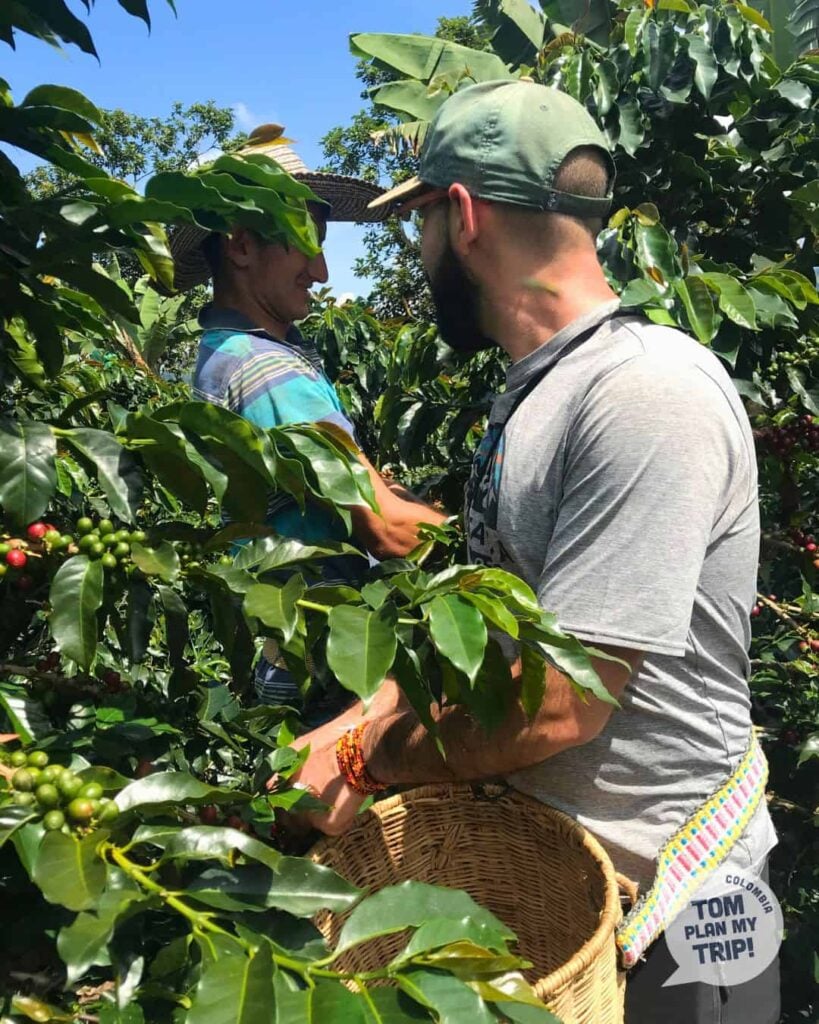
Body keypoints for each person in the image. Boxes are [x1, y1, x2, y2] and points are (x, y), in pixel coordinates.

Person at [284, 82, 780, 1022]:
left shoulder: (644, 393)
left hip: (677, 919)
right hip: (561, 893)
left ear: (460, 216)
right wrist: (366, 711)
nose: (418, 250)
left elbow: (559, 704)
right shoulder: (539, 390)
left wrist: (364, 763)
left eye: (419, 224)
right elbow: (503, 620)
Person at [170, 129, 445, 719]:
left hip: (274, 665)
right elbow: (389, 531)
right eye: (306, 244)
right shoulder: (268, 371)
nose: (321, 271)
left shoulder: (224, 355)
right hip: (317, 678)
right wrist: (494, 543)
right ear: (241, 247)